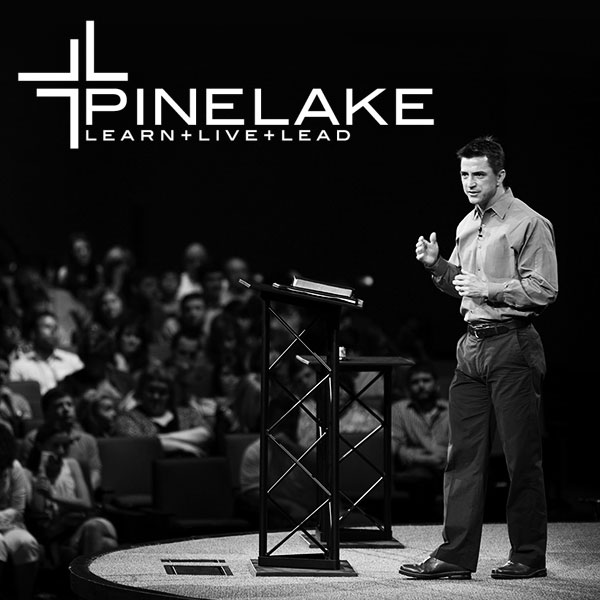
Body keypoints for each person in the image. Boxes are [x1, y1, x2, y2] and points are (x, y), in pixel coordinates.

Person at [399, 136, 558, 580]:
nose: (469, 183)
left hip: (513, 343)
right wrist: (437, 266)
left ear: (500, 175)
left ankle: (528, 555)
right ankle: (454, 555)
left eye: (479, 175)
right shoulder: (466, 225)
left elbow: (544, 289)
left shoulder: (529, 223)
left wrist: (488, 288)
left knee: (520, 457)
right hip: (470, 346)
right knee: (462, 455)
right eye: (464, 175)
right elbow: (461, 285)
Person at [24, 424, 118, 572]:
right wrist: (42, 468)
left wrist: (53, 497)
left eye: (65, 445)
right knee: (107, 544)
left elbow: (86, 503)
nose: (61, 451)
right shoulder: (28, 474)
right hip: (60, 531)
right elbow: (38, 509)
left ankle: (85, 581)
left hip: (85, 521)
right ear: (40, 446)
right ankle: (89, 582)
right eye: (55, 446)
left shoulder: (72, 464)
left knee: (93, 527)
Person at [391, 362, 449, 522]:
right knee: (419, 477)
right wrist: (425, 458)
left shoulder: (450, 409)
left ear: (436, 384)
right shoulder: (399, 410)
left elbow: (461, 444)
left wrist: (441, 457)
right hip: (417, 467)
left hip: (448, 465)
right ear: (408, 388)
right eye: (415, 382)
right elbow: (395, 447)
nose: (421, 386)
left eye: (426, 380)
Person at [0, 422, 41, 600]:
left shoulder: (13, 467)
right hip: (4, 524)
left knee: (26, 542)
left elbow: (18, 509)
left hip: (10, 524)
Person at [8, 310, 84, 395]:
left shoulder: (72, 360)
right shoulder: (19, 365)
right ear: (33, 333)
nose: (53, 331)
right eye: (48, 327)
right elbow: (16, 398)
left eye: (55, 327)